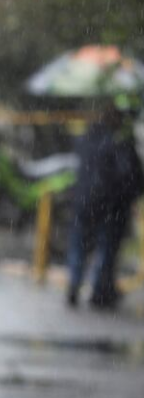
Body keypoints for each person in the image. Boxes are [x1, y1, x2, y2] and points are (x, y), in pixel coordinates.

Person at [66, 98, 144, 309]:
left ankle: (74, 283)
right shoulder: (119, 141)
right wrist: (133, 192)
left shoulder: (87, 137)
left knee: (79, 244)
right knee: (106, 246)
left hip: (83, 199)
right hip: (110, 204)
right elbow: (128, 174)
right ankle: (100, 290)